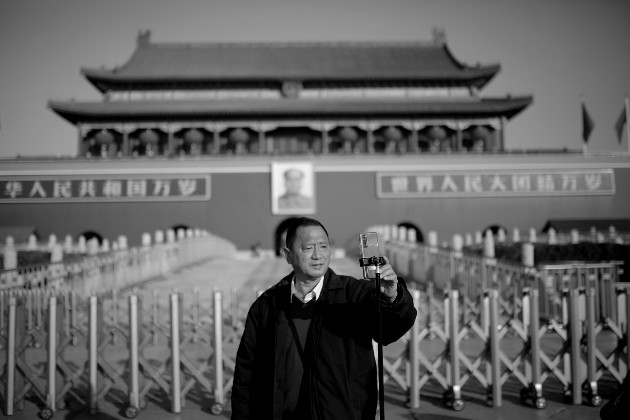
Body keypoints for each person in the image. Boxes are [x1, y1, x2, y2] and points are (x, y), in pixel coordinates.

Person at [231, 217, 417, 420]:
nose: (318, 255)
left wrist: (392, 298)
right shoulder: (267, 306)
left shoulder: (353, 295)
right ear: (288, 255)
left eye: (323, 246)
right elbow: (246, 374)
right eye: (308, 248)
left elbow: (389, 330)